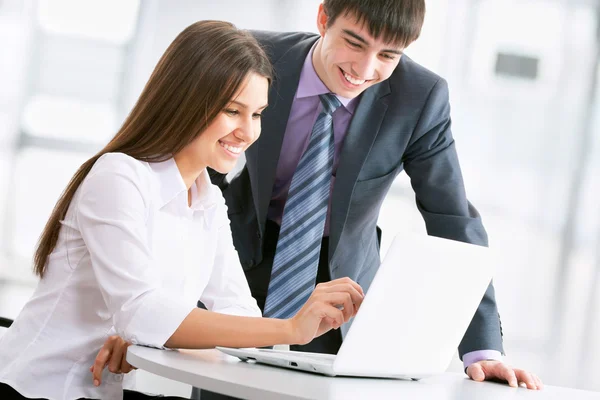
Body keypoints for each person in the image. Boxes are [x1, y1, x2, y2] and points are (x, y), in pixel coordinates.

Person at [98, 0, 544, 396]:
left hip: (339, 286)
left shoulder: (420, 97)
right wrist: (148, 315)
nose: (365, 69)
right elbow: (189, 171)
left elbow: (453, 218)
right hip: (236, 256)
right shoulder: (256, 59)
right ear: (323, 18)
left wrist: (483, 349)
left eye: (388, 55)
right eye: (355, 42)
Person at [0, 20, 364, 400]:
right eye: (232, 110)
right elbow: (141, 312)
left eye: (256, 114)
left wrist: (149, 340)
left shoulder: (207, 199)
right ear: (185, 100)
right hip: (39, 389)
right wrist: (290, 329)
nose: (247, 131)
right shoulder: (120, 177)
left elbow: (240, 320)